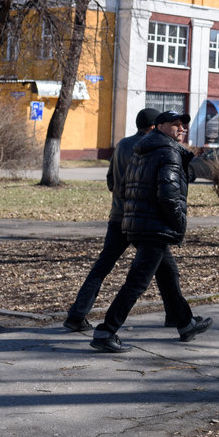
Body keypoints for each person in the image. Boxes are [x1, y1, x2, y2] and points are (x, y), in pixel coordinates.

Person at [90, 110, 212, 353]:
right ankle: (106, 331)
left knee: (168, 274)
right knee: (137, 281)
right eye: (175, 125)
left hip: (142, 224)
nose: (181, 129)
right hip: (156, 226)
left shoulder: (144, 150)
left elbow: (122, 187)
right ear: (159, 127)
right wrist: (178, 224)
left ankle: (185, 323)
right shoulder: (167, 152)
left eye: (183, 126)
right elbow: (168, 196)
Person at [63, 107, 185, 332]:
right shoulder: (155, 147)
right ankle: (173, 317)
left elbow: (111, 181)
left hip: (118, 217)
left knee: (104, 267)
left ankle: (77, 314)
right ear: (154, 126)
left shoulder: (121, 145)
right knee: (159, 272)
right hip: (144, 221)